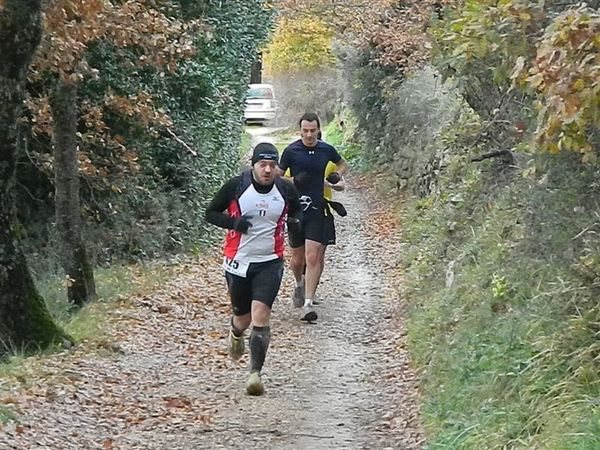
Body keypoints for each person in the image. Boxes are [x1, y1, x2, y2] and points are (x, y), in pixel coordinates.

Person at [205, 142, 302, 396]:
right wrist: (233, 222)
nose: (267, 170)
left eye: (272, 165)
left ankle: (255, 374)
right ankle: (236, 333)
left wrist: (294, 224)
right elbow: (210, 213)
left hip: (270, 261)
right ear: (254, 165)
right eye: (263, 165)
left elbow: (297, 213)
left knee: (261, 313)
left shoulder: (285, 190)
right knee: (243, 318)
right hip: (237, 261)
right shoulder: (237, 186)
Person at [278, 113, 348, 322]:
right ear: (300, 131)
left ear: (318, 130)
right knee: (297, 260)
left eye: (312, 131)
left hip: (319, 207)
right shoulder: (291, 151)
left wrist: (336, 176)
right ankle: (299, 284)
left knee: (313, 256)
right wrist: (293, 181)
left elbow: (342, 163)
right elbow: (277, 177)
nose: (309, 135)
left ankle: (308, 303)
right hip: (297, 210)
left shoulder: (326, 149)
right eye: (305, 131)